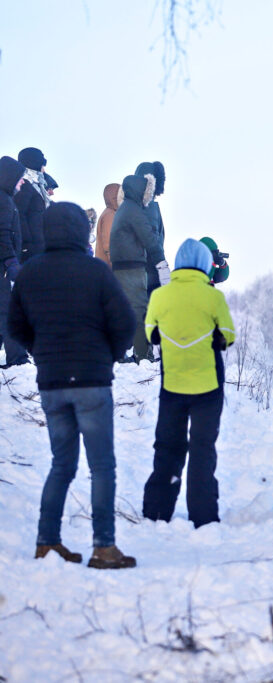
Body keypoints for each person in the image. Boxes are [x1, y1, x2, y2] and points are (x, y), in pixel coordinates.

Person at [6, 202, 137, 569]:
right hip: (92, 381)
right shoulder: (96, 272)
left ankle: (47, 542)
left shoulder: (30, 274)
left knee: (61, 464)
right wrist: (107, 355)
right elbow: (125, 324)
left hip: (52, 383)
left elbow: (14, 327)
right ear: (81, 230)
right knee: (102, 467)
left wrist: (41, 351)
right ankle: (104, 547)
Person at [142, 239, 235, 528]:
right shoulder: (213, 297)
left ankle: (157, 511)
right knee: (202, 448)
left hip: (172, 385)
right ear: (206, 264)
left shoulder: (161, 295)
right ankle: (203, 515)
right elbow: (228, 335)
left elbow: (150, 334)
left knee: (168, 446)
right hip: (207, 385)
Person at [109, 173, 169, 361]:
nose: (148, 196)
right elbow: (150, 238)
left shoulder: (124, 208)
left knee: (126, 311)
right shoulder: (134, 211)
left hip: (122, 266)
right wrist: (162, 264)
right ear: (140, 191)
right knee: (139, 310)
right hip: (131, 268)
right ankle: (143, 355)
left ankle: (121, 353)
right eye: (147, 192)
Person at [0, 155, 30, 368]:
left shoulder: (5, 198)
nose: (22, 182)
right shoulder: (3, 200)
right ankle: (17, 359)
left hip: (4, 264)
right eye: (20, 178)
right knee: (9, 311)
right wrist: (10, 261)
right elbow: (2, 233)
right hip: (3, 265)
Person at [134, 161, 167, 295]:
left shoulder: (135, 206)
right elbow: (153, 243)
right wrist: (163, 272)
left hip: (140, 277)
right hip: (149, 278)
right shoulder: (148, 208)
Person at [14, 147, 51, 263]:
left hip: (41, 243)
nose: (43, 168)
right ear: (35, 163)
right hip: (32, 248)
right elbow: (19, 215)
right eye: (42, 164)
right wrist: (27, 243)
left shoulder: (38, 185)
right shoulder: (24, 184)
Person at [95, 183, 120, 266]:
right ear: (115, 197)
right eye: (121, 194)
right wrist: (116, 266)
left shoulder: (110, 213)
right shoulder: (109, 215)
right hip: (109, 268)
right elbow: (109, 244)